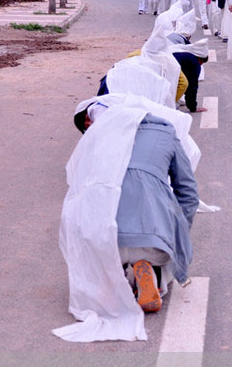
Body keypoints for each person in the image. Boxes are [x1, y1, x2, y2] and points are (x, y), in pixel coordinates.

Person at [55, 93, 200, 342]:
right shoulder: (165, 132)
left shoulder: (101, 135)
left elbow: (80, 194)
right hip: (155, 241)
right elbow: (188, 194)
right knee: (157, 227)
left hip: (106, 241)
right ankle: (151, 273)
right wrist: (177, 237)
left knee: (105, 219)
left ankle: (113, 276)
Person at [171, 38, 209, 113]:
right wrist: (193, 108)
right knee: (183, 84)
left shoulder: (182, 52)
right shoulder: (194, 63)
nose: (200, 65)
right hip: (169, 68)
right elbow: (192, 87)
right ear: (200, 60)